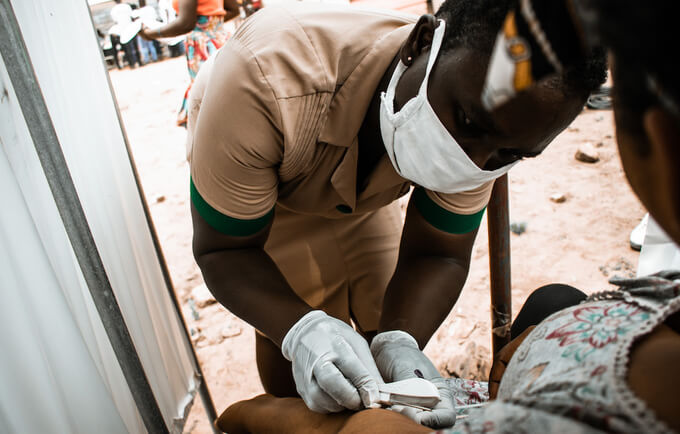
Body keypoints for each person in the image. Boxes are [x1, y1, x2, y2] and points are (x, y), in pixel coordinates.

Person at [215, 0, 680, 432]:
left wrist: (399, 342)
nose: (475, 162)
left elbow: (438, 253)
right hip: (273, 190)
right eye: (469, 124)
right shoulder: (267, 78)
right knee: (297, 333)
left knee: (377, 335)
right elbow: (225, 249)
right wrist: (301, 333)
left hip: (370, 179)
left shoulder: (495, 122)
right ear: (420, 45)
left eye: (511, 155)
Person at [139, 0, 240, 127]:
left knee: (210, 96)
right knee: (224, 90)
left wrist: (150, 34)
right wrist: (211, 24)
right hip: (219, 39)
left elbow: (186, 23)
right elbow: (234, 9)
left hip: (203, 45)